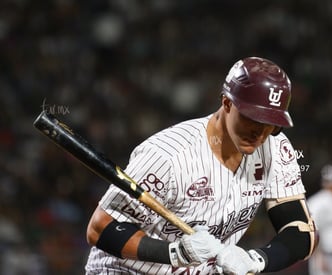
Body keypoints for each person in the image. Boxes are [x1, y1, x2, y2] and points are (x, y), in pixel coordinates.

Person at [84, 57, 317, 274]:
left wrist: (256, 260)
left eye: (272, 124)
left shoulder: (275, 148)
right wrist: (176, 252)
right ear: (226, 102)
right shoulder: (168, 155)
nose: (261, 133)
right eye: (253, 119)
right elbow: (100, 228)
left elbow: (302, 232)